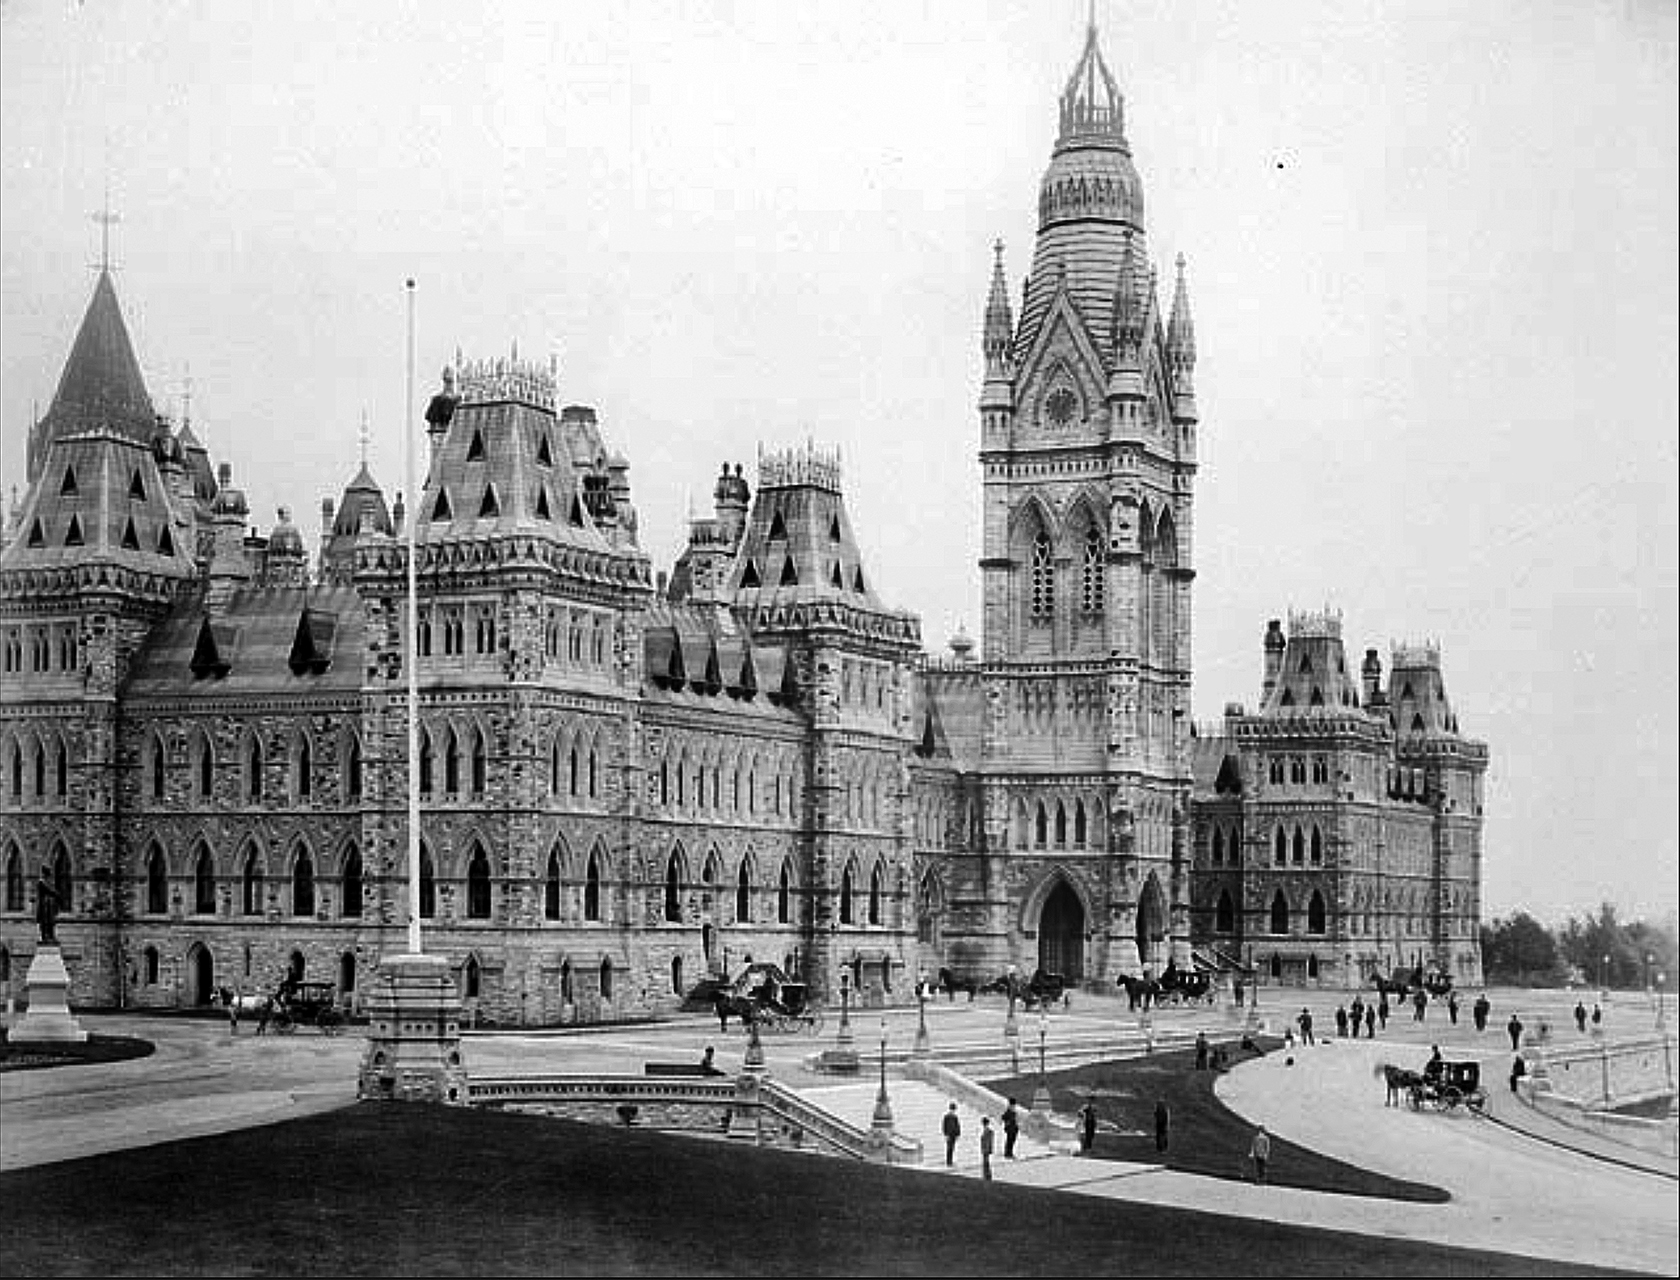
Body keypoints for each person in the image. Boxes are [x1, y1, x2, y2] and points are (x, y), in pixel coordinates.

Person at [34, 868, 60, 945]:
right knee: (45, 923)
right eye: (47, 874)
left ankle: (50, 936)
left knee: (50, 922)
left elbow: (51, 891)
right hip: (44, 907)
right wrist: (56, 894)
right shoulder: (41, 883)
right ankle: (45, 937)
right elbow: (50, 891)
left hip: (48, 907)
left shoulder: (47, 883)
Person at [941, 1103, 961, 1167]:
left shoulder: (955, 1117)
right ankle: (948, 1161)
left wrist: (958, 1134)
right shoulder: (946, 1116)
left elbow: (957, 1126)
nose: (953, 1111)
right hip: (949, 1135)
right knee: (949, 1148)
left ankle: (951, 1161)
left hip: (954, 1135)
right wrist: (946, 1134)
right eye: (953, 1109)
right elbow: (944, 1126)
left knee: (952, 1148)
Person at [979, 1117, 995, 1181]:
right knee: (986, 1162)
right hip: (985, 1148)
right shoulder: (986, 1130)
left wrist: (987, 1149)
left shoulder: (989, 1131)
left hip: (986, 1149)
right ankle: (986, 1174)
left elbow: (989, 1141)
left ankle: (987, 1175)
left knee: (986, 1162)